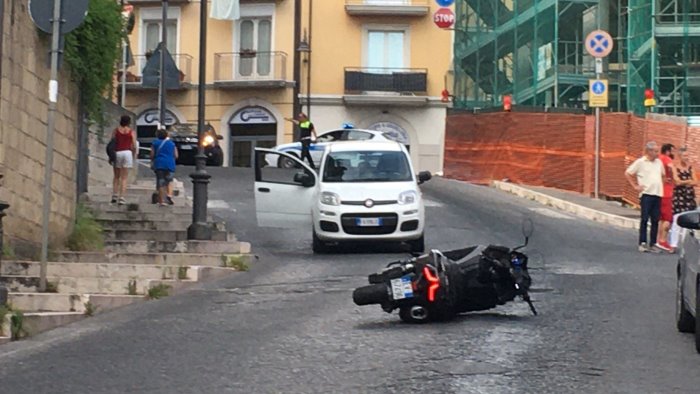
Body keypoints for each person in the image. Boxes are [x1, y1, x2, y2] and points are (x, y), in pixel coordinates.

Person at [625, 141, 666, 253]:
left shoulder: (659, 162)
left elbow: (662, 175)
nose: (657, 153)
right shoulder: (640, 162)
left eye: (658, 151)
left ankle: (653, 243)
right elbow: (628, 173)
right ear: (649, 151)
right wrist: (635, 186)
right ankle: (642, 242)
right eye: (655, 151)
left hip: (657, 194)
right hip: (646, 194)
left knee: (655, 220)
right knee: (644, 219)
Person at [669, 147, 698, 252]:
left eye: (687, 155)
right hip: (679, 197)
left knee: (689, 221)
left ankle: (685, 246)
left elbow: (695, 182)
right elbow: (676, 181)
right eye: (685, 156)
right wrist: (688, 181)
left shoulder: (691, 168)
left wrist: (684, 181)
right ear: (680, 156)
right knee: (677, 220)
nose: (687, 158)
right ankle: (673, 245)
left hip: (689, 197)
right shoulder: (675, 167)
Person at [111, 115, 137, 205]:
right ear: (129, 122)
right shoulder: (131, 132)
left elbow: (112, 143)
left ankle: (114, 195)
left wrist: (111, 156)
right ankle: (122, 197)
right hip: (127, 153)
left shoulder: (116, 130)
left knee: (116, 176)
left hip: (118, 152)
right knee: (124, 177)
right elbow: (133, 145)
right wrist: (133, 155)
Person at [655, 143, 676, 251]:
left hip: (658, 191)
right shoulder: (667, 159)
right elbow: (671, 167)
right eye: (673, 151)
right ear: (668, 151)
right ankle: (663, 240)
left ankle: (659, 240)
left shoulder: (657, 159)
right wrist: (675, 177)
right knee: (668, 219)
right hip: (667, 192)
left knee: (661, 219)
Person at [151, 128, 178, 206]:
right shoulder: (172, 144)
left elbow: (152, 155)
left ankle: (161, 201)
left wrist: (153, 159)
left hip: (159, 164)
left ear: (157, 135)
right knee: (169, 181)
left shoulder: (155, 143)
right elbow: (176, 155)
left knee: (161, 182)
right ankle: (169, 195)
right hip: (170, 164)